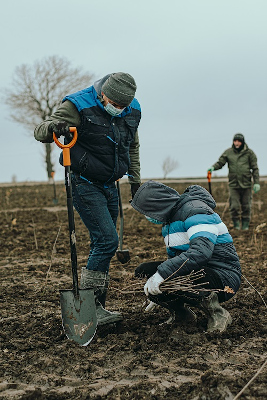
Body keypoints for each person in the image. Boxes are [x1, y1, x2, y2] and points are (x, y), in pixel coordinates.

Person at [34, 72, 141, 325]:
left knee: (101, 243)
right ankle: (90, 306)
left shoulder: (132, 109)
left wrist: (135, 181)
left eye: (123, 106)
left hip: (110, 184)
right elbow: (40, 132)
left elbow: (132, 145)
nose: (119, 110)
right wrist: (54, 128)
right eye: (115, 105)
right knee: (107, 240)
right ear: (103, 95)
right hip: (83, 181)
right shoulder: (77, 105)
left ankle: (97, 308)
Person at [131, 180, 241, 333]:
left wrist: (162, 275)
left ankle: (218, 314)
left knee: (169, 273)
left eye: (146, 212)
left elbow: (200, 252)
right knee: (144, 271)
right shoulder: (169, 222)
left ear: (156, 206)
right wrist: (160, 293)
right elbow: (175, 259)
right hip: (197, 270)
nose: (147, 217)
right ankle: (181, 315)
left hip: (223, 277)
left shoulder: (196, 211)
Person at [207, 133, 260, 231]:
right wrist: (213, 167)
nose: (237, 143)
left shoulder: (249, 153)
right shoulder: (229, 152)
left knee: (246, 206)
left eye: (239, 141)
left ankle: (245, 226)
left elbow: (255, 169)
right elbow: (221, 162)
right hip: (233, 184)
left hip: (246, 184)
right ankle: (236, 225)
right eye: (235, 141)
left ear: (242, 142)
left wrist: (256, 182)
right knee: (234, 206)